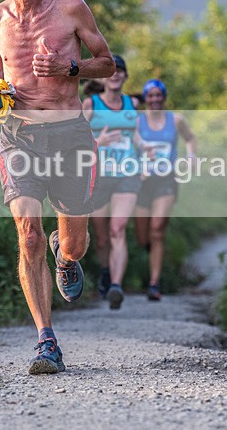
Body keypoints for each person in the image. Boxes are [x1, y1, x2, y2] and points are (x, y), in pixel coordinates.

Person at [0, 0, 115, 374]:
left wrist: (69, 66)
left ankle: (67, 253)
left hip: (71, 136)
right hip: (18, 137)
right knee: (27, 235)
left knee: (73, 243)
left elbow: (107, 62)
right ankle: (46, 341)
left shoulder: (70, 7)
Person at [82, 54, 140, 310]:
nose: (115, 74)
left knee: (118, 229)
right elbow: (76, 140)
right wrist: (98, 143)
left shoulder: (131, 105)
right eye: (111, 70)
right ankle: (106, 271)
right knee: (102, 237)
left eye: (120, 70)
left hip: (128, 174)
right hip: (99, 176)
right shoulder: (91, 105)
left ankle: (116, 285)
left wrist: (147, 148)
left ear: (126, 76)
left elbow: (137, 138)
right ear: (103, 76)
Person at [133, 79, 196, 301]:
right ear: (146, 98)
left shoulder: (176, 120)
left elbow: (190, 138)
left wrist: (191, 156)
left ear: (164, 97)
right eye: (150, 95)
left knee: (157, 229)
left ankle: (154, 283)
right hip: (142, 181)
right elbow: (130, 143)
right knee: (143, 237)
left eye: (159, 95)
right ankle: (154, 254)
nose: (155, 99)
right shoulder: (138, 122)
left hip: (166, 180)